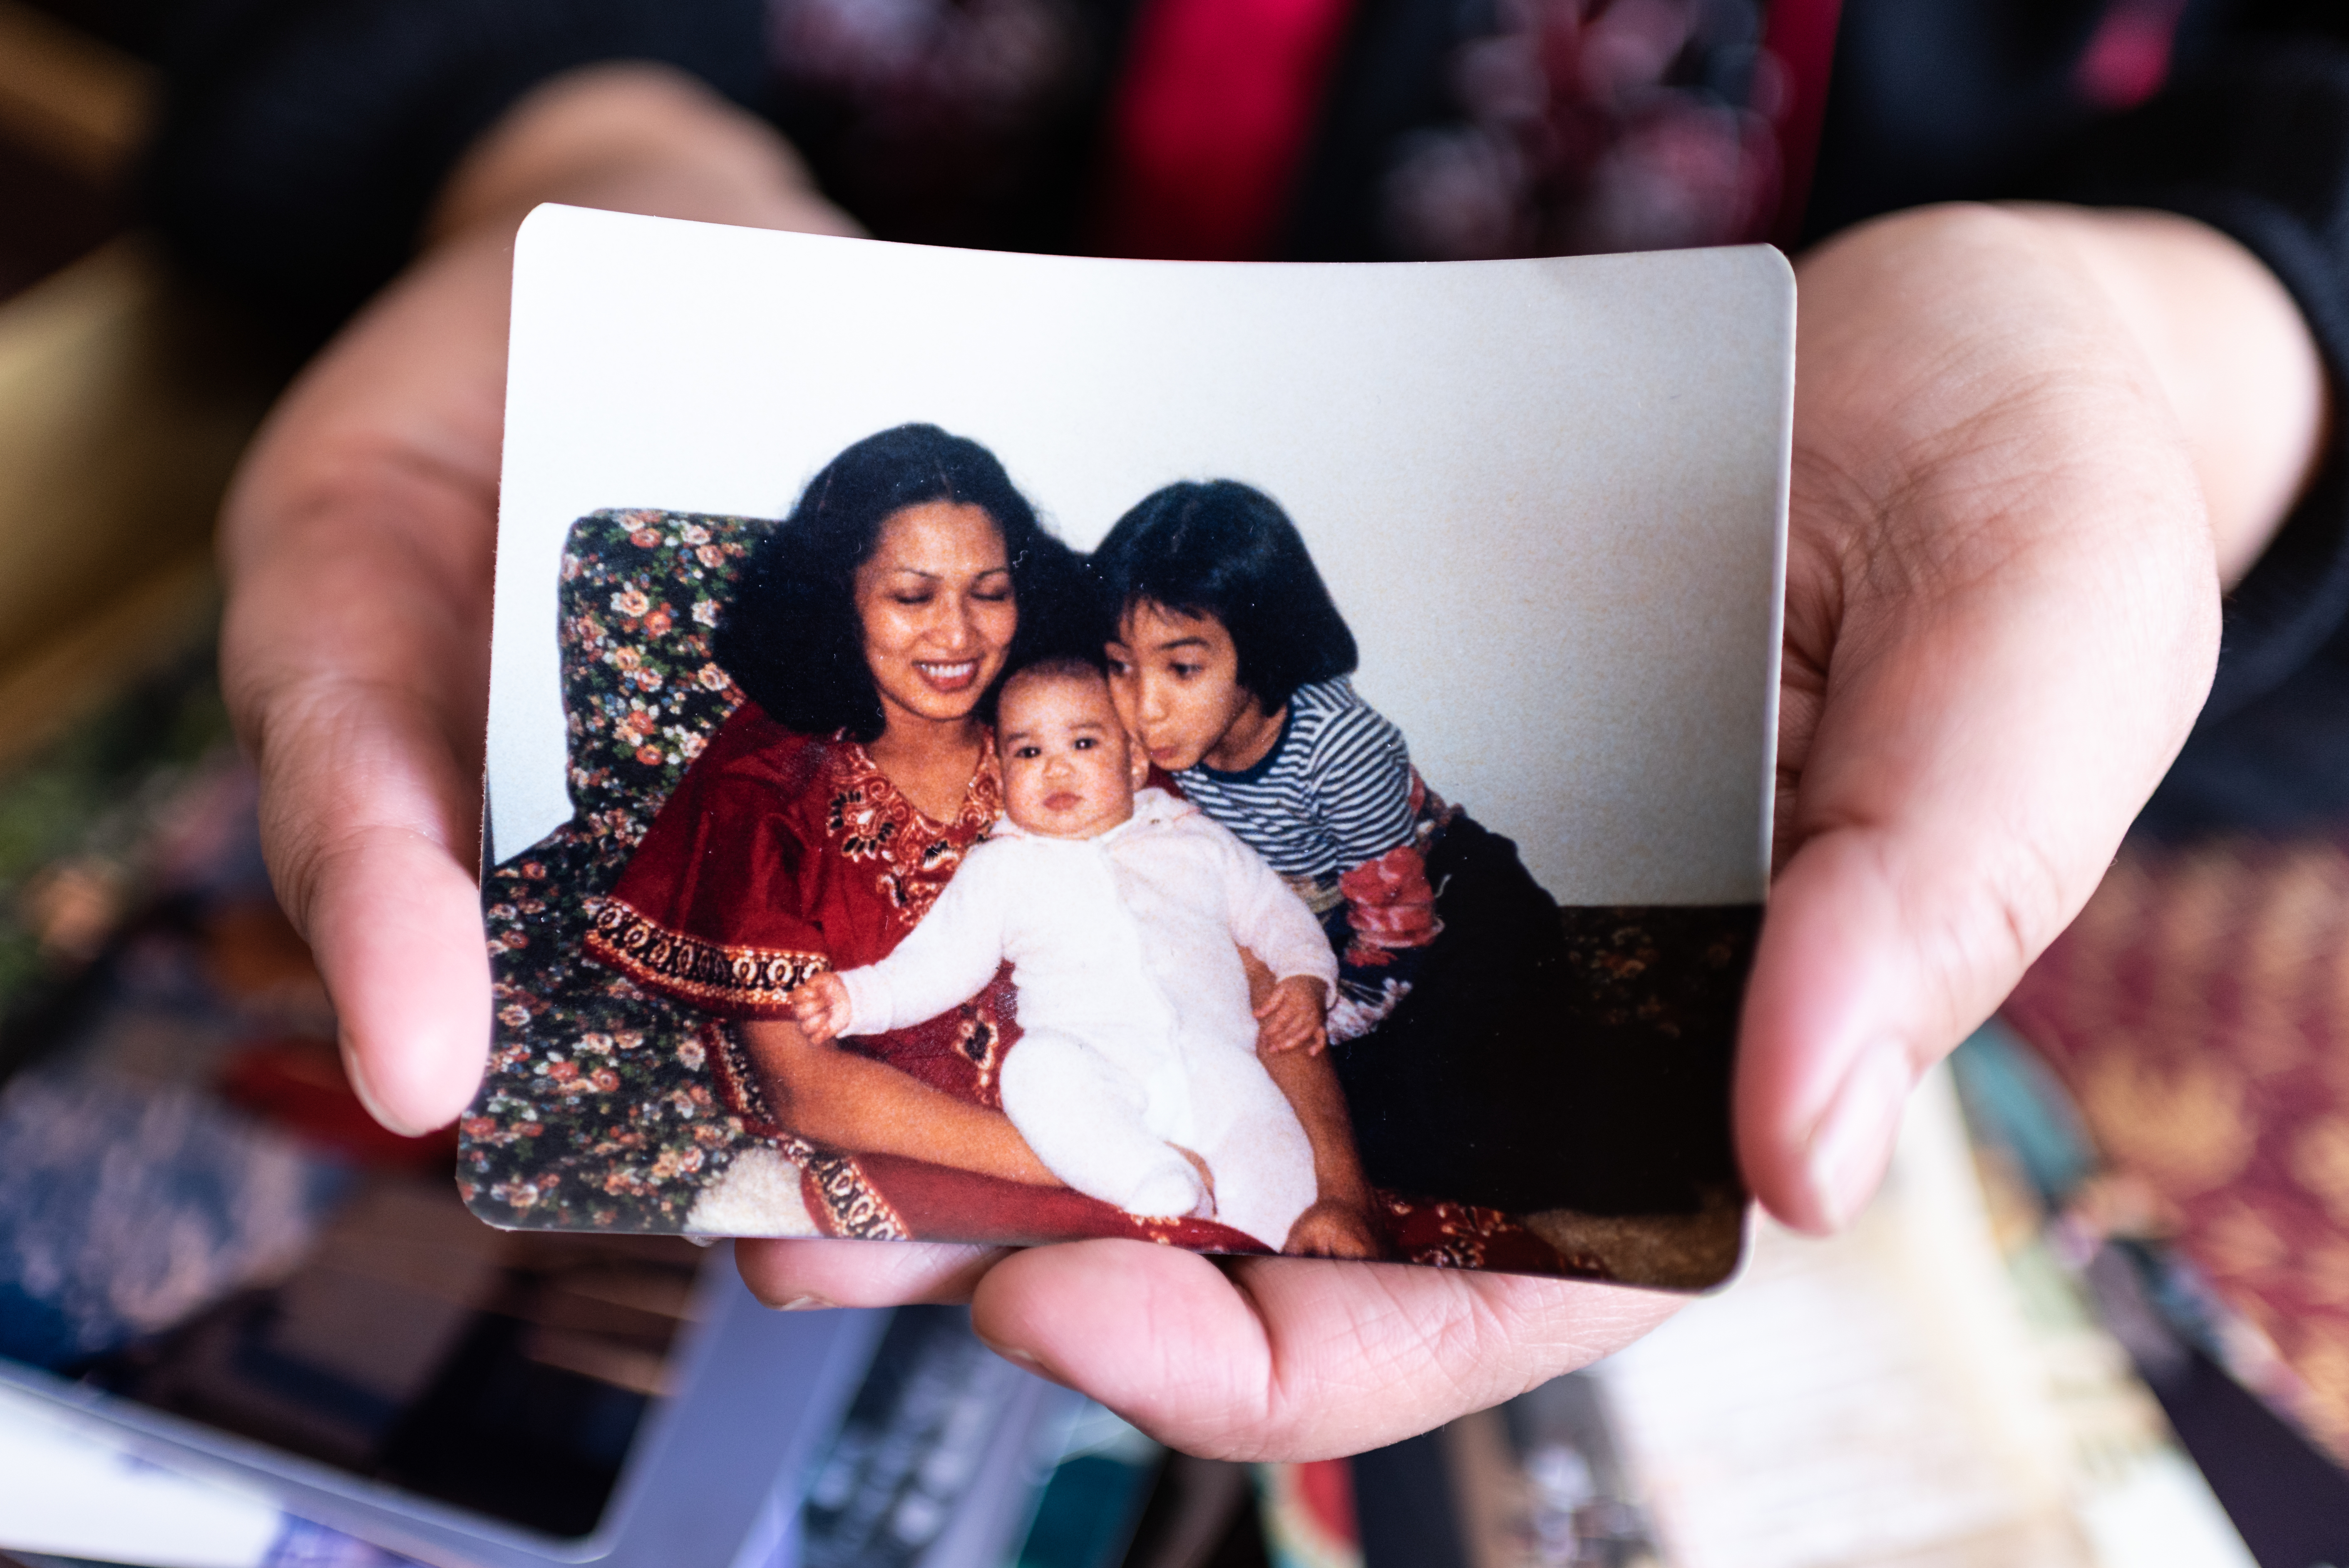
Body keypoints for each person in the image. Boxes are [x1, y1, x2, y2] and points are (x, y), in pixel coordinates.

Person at [164, 0, 2341, 1460]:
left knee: (1267, 1105)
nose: (1077, 738)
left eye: (1117, 698)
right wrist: (567, 134)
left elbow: (1315, 904)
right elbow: (915, 973)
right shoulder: (963, 800)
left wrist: (2205, 334)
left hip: (1477, 917)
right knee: (1103, 1094)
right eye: (1075, 705)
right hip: (1040, 1051)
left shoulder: (1236, 789)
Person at [581, 423, 1373, 1254]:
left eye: (988, 593)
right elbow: (803, 1089)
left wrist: (1342, 1194)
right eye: (912, 597)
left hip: (1197, 1115)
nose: (957, 637)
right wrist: (1089, 1162)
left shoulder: (1072, 731)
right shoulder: (766, 785)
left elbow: (1259, 980)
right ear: (837, 598)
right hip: (982, 1163)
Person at [1092, 480, 1686, 1217]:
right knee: (1365, 1136)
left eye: (1183, 669)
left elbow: (1397, 931)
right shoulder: (1157, 744)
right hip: (1338, 942)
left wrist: (1322, 1031)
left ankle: (1678, 1086)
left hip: (1455, 910)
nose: (1145, 707)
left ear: (1263, 643)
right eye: (1122, 665)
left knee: (1488, 1130)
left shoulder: (1340, 745)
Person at [789, 656, 1336, 1253]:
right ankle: (1147, 1178)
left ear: (1133, 760)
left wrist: (1308, 976)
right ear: (999, 772)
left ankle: (1270, 1265)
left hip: (1225, 1071)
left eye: (1082, 743)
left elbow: (1277, 914)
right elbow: (939, 963)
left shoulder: (1194, 839)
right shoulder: (1003, 866)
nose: (1055, 768)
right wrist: (855, 997)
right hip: (1099, 1067)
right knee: (1035, 1072)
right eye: (1029, 753)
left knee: (1276, 1159)